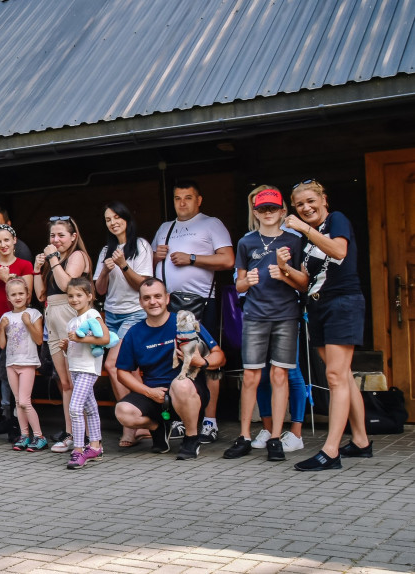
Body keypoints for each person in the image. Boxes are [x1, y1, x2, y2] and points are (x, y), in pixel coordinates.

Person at [286, 180, 371, 471]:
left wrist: (303, 227)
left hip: (342, 303)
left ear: (324, 200)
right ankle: (361, 441)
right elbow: (305, 282)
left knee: (334, 376)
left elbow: (339, 252)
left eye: (311, 201)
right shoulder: (307, 241)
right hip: (317, 306)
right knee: (342, 375)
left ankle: (330, 451)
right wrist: (285, 270)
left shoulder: (337, 220)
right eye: (299, 205)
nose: (306, 208)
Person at [222, 187, 306, 461]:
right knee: (251, 376)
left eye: (273, 209)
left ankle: (275, 438)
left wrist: (284, 273)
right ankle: (244, 435)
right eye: (262, 209)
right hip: (256, 315)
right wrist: (247, 282)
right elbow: (239, 283)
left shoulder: (294, 241)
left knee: (279, 376)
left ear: (283, 211)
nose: (268, 213)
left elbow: (303, 284)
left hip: (285, 315)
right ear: (255, 212)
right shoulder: (246, 242)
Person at [152, 180, 235, 443]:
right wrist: (156, 257)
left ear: (199, 200)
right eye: (177, 198)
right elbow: (149, 263)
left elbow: (228, 260)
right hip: (168, 304)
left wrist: (193, 258)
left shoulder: (212, 224)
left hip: (201, 302)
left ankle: (209, 420)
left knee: (206, 359)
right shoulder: (166, 227)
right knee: (175, 358)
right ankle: (181, 418)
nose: (182, 203)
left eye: (188, 198)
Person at [114, 278, 225, 460]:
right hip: (155, 393)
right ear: (141, 302)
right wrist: (148, 392)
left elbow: (219, 355)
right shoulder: (134, 332)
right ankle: (158, 428)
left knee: (180, 385)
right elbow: (122, 372)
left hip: (188, 392)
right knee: (123, 412)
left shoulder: (185, 323)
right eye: (147, 298)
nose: (153, 301)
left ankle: (191, 438)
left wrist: (201, 362)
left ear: (167, 299)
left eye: (157, 296)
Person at [92, 202, 153, 447]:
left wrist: (123, 265)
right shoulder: (106, 249)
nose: (113, 222)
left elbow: (144, 286)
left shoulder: (141, 246)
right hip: (112, 314)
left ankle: (133, 423)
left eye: (117, 217)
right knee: (125, 369)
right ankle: (135, 424)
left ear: (127, 218)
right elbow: (99, 290)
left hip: (134, 313)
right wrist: (106, 271)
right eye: (108, 219)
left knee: (113, 364)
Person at [33, 216, 92, 453]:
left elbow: (69, 286)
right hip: (52, 316)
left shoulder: (77, 256)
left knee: (78, 380)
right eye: (52, 236)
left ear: (73, 237)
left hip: (69, 315)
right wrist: (38, 270)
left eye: (61, 235)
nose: (55, 240)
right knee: (65, 381)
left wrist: (53, 259)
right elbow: (40, 296)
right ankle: (70, 433)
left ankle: (85, 435)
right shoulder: (53, 261)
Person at [0, 224, 35, 431]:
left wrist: (8, 279)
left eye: (6, 240)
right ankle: (0, 415)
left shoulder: (24, 265)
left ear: (14, 241)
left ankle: (15, 416)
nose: (3, 245)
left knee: (13, 369)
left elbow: (27, 296)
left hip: (16, 325)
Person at [62, 277, 108, 469]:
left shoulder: (92, 314)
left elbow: (104, 338)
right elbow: (74, 347)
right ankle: (96, 445)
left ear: (89, 296)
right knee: (90, 408)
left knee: (74, 408)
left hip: (88, 368)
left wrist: (80, 340)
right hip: (76, 367)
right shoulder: (72, 321)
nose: (74, 299)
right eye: (70, 296)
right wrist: (67, 346)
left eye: (79, 295)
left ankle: (79, 450)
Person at [0, 279, 46, 451]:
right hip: (11, 363)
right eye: (14, 294)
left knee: (25, 401)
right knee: (18, 402)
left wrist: (27, 323)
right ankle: (25, 435)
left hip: (27, 362)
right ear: (8, 297)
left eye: (21, 294)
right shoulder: (6, 317)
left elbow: (39, 339)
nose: (18, 297)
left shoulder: (34, 314)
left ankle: (39, 436)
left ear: (27, 296)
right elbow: (2, 345)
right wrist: (1, 329)